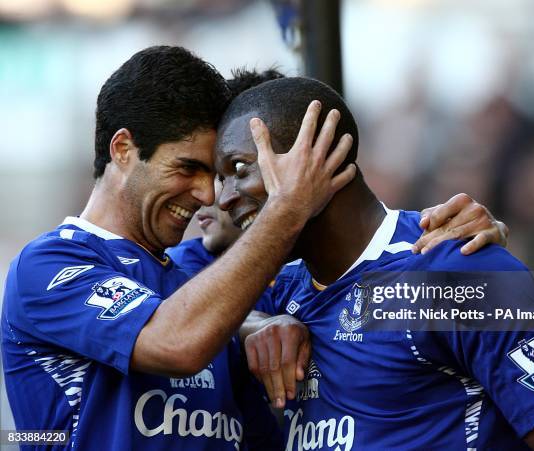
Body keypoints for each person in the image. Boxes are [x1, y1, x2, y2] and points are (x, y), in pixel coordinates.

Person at [215, 77, 534, 450]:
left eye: (238, 169)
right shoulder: (280, 289)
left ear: (314, 156)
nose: (224, 199)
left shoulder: (452, 272)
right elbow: (180, 319)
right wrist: (258, 324)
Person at [1, 46, 356, 450]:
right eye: (187, 168)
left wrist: (428, 231)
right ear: (123, 149)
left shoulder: (197, 288)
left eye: (213, 174)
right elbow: (176, 342)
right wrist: (287, 206)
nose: (207, 195)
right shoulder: (48, 265)